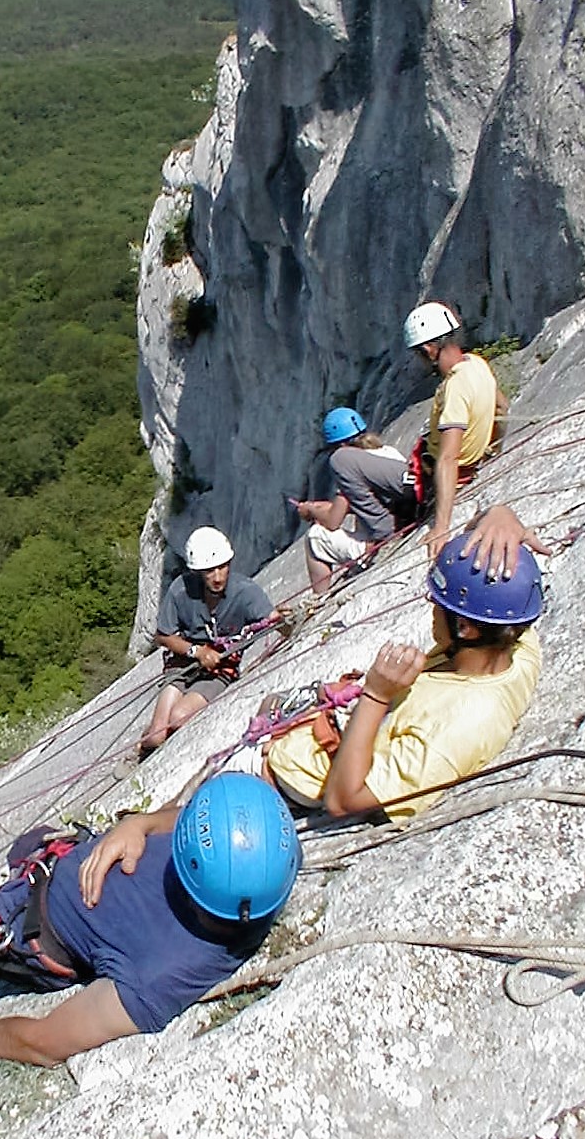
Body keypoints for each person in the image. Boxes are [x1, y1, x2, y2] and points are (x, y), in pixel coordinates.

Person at [0, 773, 301, 1066]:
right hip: (62, 862)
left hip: (32, 931)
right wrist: (142, 824)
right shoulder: (261, 864)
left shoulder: (159, 979)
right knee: (29, 842)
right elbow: (193, 815)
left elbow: (45, 1042)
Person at [224, 507, 543, 824]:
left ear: (465, 628)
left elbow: (344, 799)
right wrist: (500, 516)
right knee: (272, 701)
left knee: (184, 812)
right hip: (313, 734)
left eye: (438, 603)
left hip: (284, 778)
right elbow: (500, 593)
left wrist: (376, 694)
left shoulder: (459, 728)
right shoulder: (516, 649)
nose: (431, 607)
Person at [139, 527, 278, 757]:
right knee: (156, 736)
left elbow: (274, 620)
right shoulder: (181, 590)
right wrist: (196, 651)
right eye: (209, 571)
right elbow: (163, 635)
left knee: (179, 717)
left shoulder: (245, 592)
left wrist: (289, 618)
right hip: (183, 665)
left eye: (222, 567)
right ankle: (142, 745)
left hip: (219, 669)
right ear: (198, 572)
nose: (217, 577)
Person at [403, 300, 508, 560]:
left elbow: (448, 458)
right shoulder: (476, 363)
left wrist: (441, 528)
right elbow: (502, 408)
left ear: (429, 349)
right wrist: (492, 449)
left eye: (418, 353)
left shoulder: (455, 388)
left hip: (450, 474)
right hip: (470, 462)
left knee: (399, 498)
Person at [297, 407, 414, 594]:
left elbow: (332, 522)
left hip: (378, 540)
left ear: (338, 446)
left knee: (315, 537)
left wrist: (310, 510)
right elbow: (371, 498)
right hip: (403, 519)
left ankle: (319, 599)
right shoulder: (387, 453)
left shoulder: (347, 464)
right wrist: (328, 506)